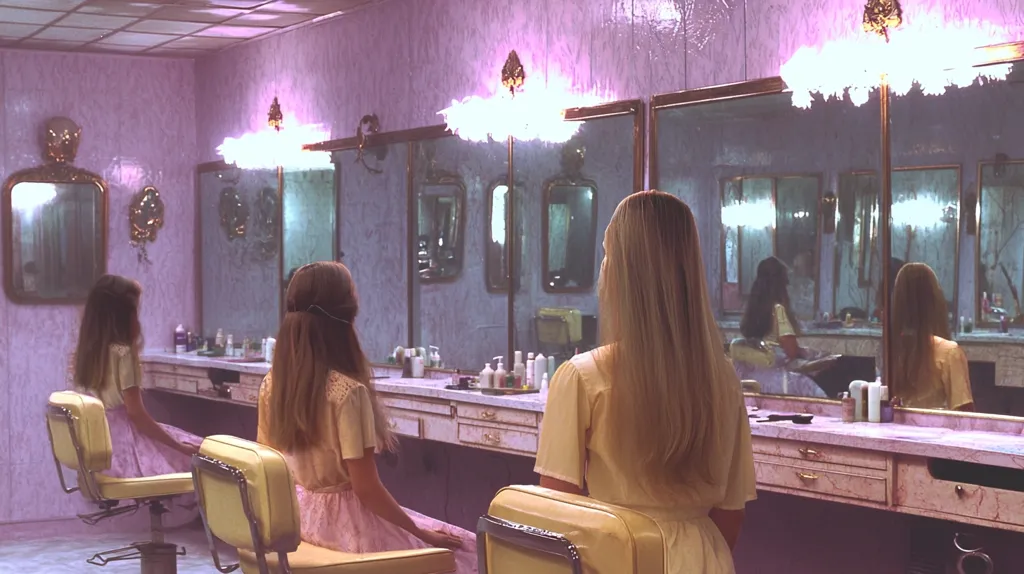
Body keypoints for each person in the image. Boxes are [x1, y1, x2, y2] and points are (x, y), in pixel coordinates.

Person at [535, 191, 756, 574]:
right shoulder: (723, 380)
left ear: (621, 272)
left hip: (622, 560)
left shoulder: (583, 377)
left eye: (607, 254)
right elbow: (730, 516)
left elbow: (555, 517)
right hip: (706, 560)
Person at [258, 261, 476, 572]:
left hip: (298, 520)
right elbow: (366, 490)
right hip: (345, 530)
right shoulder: (346, 393)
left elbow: (268, 463)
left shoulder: (272, 384)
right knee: (465, 552)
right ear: (345, 313)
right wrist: (420, 533)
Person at [72, 274, 201, 479]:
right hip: (126, 448)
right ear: (123, 317)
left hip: (101, 448)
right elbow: (137, 416)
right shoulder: (123, 354)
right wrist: (178, 446)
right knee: (204, 457)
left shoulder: (85, 355)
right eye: (135, 311)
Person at [732, 256, 827, 398]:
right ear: (780, 284)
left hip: (752, 379)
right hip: (776, 380)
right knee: (817, 393)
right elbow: (791, 352)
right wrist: (809, 355)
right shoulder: (778, 310)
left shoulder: (752, 309)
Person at [891, 263, 974, 411]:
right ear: (934, 300)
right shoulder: (949, 353)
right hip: (940, 433)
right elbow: (965, 419)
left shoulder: (890, 350)